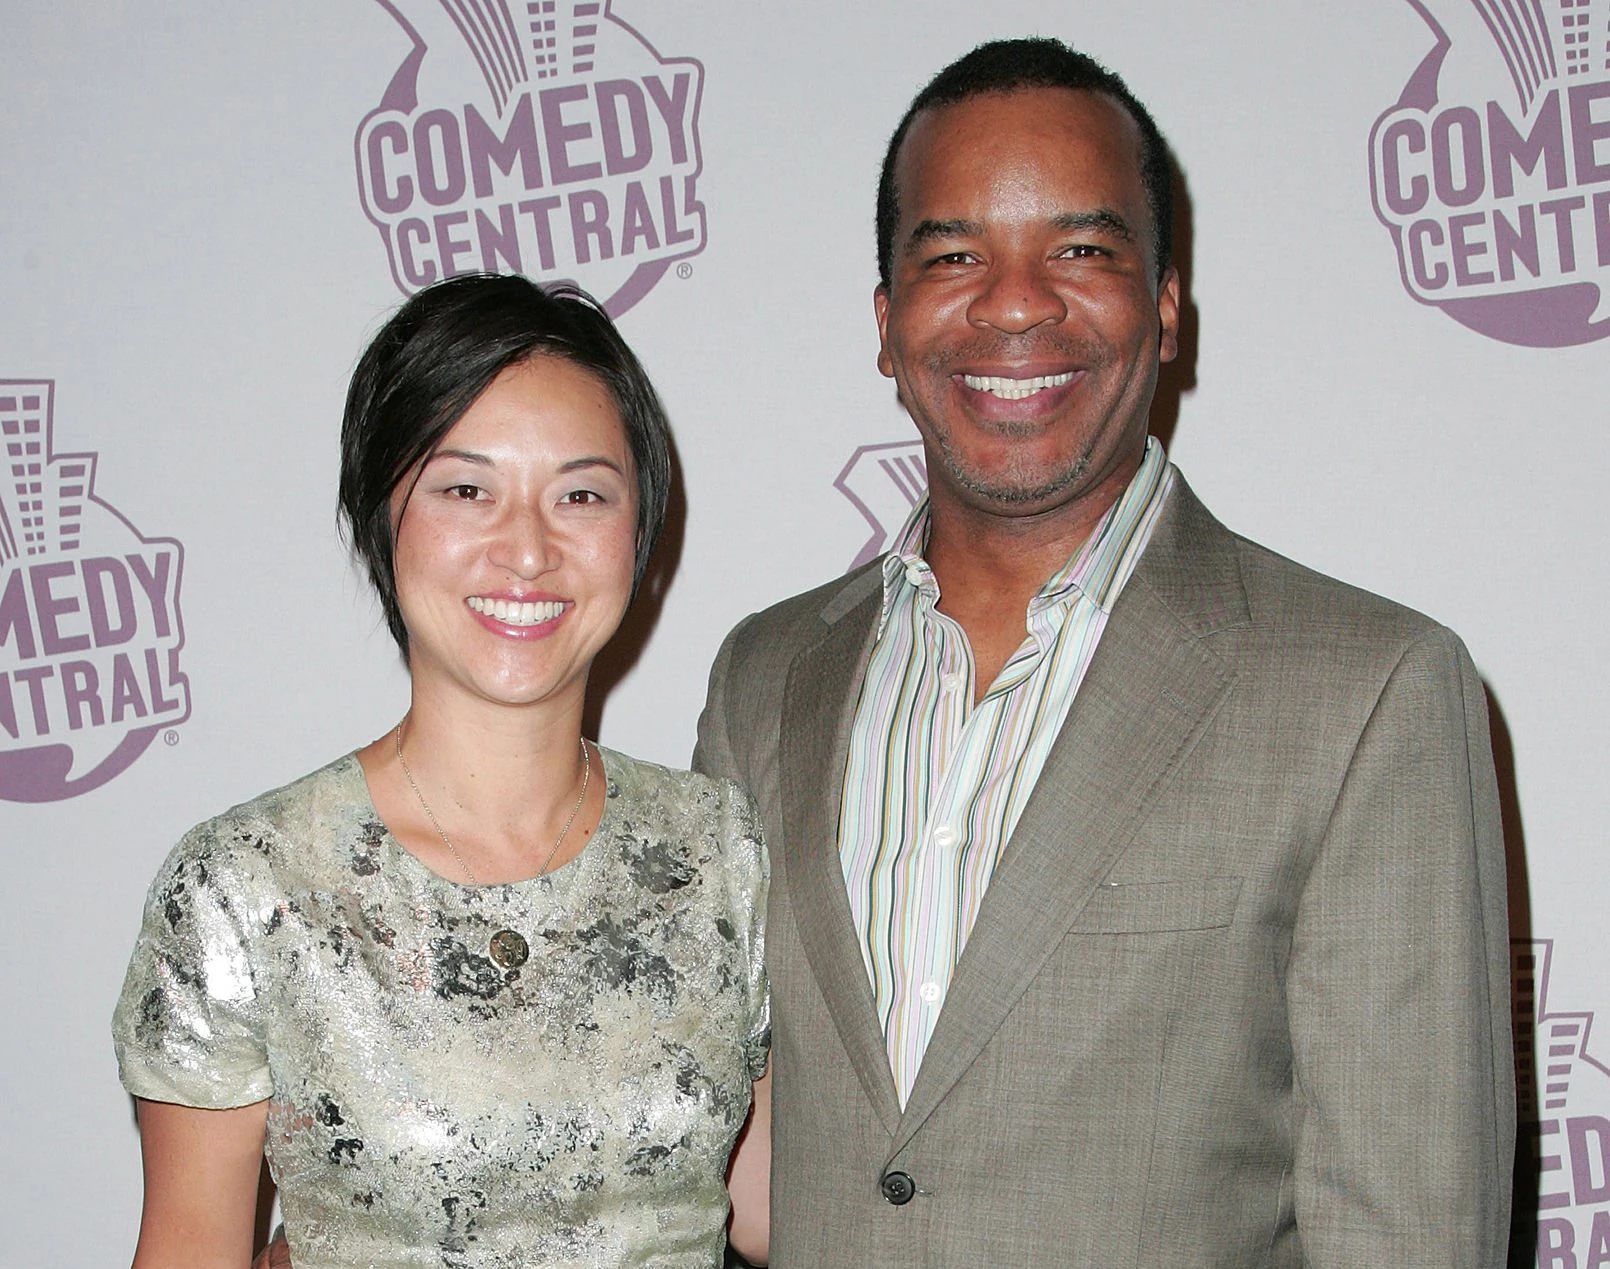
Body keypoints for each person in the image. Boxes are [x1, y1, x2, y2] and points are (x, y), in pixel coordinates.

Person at [692, 37, 1514, 1267]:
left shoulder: (1365, 691)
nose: (1014, 302)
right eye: (952, 255)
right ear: (885, 323)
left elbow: (1410, 1229)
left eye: (1079, 250)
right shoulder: (762, 679)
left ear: (1165, 307)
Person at [112, 274, 771, 1269]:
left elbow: (769, 1209)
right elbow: (189, 1250)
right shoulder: (248, 887)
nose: (528, 550)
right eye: (467, 489)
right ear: (382, 514)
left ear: (640, 534)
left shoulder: (717, 850)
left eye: (581, 495)